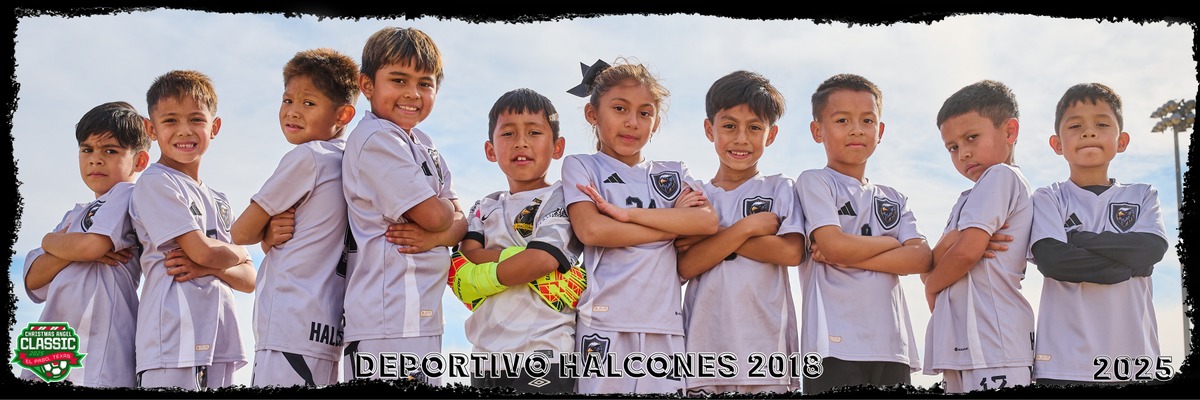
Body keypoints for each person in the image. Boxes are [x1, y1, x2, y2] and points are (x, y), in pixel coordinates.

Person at [561, 58, 719, 395]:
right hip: (603, 324)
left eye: (645, 113)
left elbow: (706, 221)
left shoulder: (673, 172)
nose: (632, 122)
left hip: (665, 326)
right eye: (619, 108)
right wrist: (673, 226)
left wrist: (626, 215)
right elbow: (593, 231)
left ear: (656, 122)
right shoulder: (582, 166)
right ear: (592, 114)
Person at [340, 26, 466, 384]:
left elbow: (462, 223)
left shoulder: (424, 143)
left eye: (425, 84)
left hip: (420, 317)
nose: (412, 93)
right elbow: (438, 214)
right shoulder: (376, 138)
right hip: (387, 320)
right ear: (367, 85)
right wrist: (444, 219)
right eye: (398, 80)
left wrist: (436, 236)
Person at [228, 48, 360, 387]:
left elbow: (240, 233)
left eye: (308, 103)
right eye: (287, 100)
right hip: (330, 325)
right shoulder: (353, 161)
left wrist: (264, 234)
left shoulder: (308, 156)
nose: (293, 111)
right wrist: (270, 235)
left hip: (289, 322)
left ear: (343, 114)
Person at [795, 73, 931, 395]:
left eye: (867, 120)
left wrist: (848, 254)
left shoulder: (893, 197)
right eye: (842, 120)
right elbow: (834, 246)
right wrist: (890, 243)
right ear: (817, 130)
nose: (856, 129)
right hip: (832, 347)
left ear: (880, 131)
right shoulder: (815, 182)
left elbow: (922, 258)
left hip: (891, 346)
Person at [1028, 83, 1169, 387]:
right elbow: (1053, 261)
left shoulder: (1143, 194)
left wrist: (1077, 239)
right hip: (1063, 362)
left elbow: (1151, 249)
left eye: (1102, 124)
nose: (1089, 133)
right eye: (1075, 126)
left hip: (1136, 361)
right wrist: (1127, 269)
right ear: (1057, 144)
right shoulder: (1048, 197)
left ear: (1122, 141)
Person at [446, 88, 585, 394]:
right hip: (486, 357)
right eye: (508, 133)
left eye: (534, 132)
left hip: (545, 352)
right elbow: (465, 259)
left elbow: (542, 260)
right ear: (490, 150)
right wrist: (520, 257)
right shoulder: (485, 206)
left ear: (557, 147)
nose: (521, 142)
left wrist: (491, 264)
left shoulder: (562, 198)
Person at [675, 70, 804, 396]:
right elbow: (685, 266)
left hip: (766, 351)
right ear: (710, 129)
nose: (741, 138)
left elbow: (790, 253)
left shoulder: (779, 188)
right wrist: (748, 227)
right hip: (704, 350)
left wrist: (712, 235)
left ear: (771, 135)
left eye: (754, 128)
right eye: (729, 126)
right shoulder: (696, 195)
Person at [130, 70, 257, 390]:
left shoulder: (219, 199)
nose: (184, 130)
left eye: (196, 119)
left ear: (214, 127)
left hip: (220, 340)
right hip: (172, 341)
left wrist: (211, 265)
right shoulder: (156, 182)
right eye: (170, 120)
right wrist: (236, 253)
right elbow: (203, 251)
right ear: (151, 129)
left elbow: (250, 279)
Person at [19, 101, 151, 387]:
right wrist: (64, 246)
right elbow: (32, 279)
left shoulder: (128, 196)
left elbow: (90, 248)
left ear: (139, 161)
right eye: (87, 150)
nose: (95, 160)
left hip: (101, 337)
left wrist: (57, 243)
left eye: (110, 151)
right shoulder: (74, 214)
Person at [922, 79, 1035, 393]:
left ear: (1010, 131)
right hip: (967, 345)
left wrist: (932, 286)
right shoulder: (967, 197)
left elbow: (965, 254)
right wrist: (953, 243)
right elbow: (930, 264)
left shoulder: (1001, 176)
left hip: (995, 340)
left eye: (972, 138)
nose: (963, 153)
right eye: (953, 147)